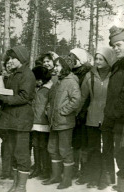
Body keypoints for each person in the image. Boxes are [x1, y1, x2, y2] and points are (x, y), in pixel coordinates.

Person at [0, 45, 36, 192]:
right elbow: (7, 94)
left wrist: (3, 99)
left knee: (21, 155)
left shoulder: (27, 74)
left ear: (21, 58)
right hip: (10, 120)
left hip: (21, 120)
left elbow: (24, 97)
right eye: (10, 58)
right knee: (14, 153)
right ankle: (15, 185)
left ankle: (21, 187)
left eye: (14, 58)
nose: (11, 61)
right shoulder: (13, 74)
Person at [78, 47, 117, 189]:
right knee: (93, 149)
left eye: (101, 59)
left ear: (108, 60)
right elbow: (82, 97)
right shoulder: (90, 76)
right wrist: (78, 113)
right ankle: (94, 177)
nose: (98, 62)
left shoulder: (114, 75)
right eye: (96, 59)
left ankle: (106, 178)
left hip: (109, 117)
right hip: (93, 117)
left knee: (107, 149)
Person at [42, 57, 81, 189]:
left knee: (65, 150)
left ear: (65, 67)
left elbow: (76, 100)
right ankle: (56, 176)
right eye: (55, 66)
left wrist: (63, 111)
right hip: (54, 122)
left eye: (58, 66)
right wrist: (48, 109)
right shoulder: (58, 81)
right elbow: (51, 99)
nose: (55, 68)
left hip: (64, 123)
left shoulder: (71, 81)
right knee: (52, 149)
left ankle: (67, 179)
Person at [101, 26, 124, 192]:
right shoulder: (118, 66)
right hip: (116, 119)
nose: (116, 48)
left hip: (121, 118)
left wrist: (116, 113)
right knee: (120, 154)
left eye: (119, 44)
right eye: (114, 46)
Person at [67, 48, 93, 181]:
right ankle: (74, 169)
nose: (71, 60)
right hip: (74, 113)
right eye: (70, 58)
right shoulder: (72, 73)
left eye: (73, 58)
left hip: (85, 113)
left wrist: (82, 112)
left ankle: (84, 171)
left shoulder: (88, 73)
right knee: (75, 144)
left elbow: (87, 96)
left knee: (84, 144)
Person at [29, 66, 52, 180]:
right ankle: (37, 168)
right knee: (35, 145)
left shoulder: (49, 89)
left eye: (37, 79)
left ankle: (46, 169)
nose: (36, 81)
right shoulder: (37, 88)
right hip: (34, 121)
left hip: (44, 122)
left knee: (43, 146)